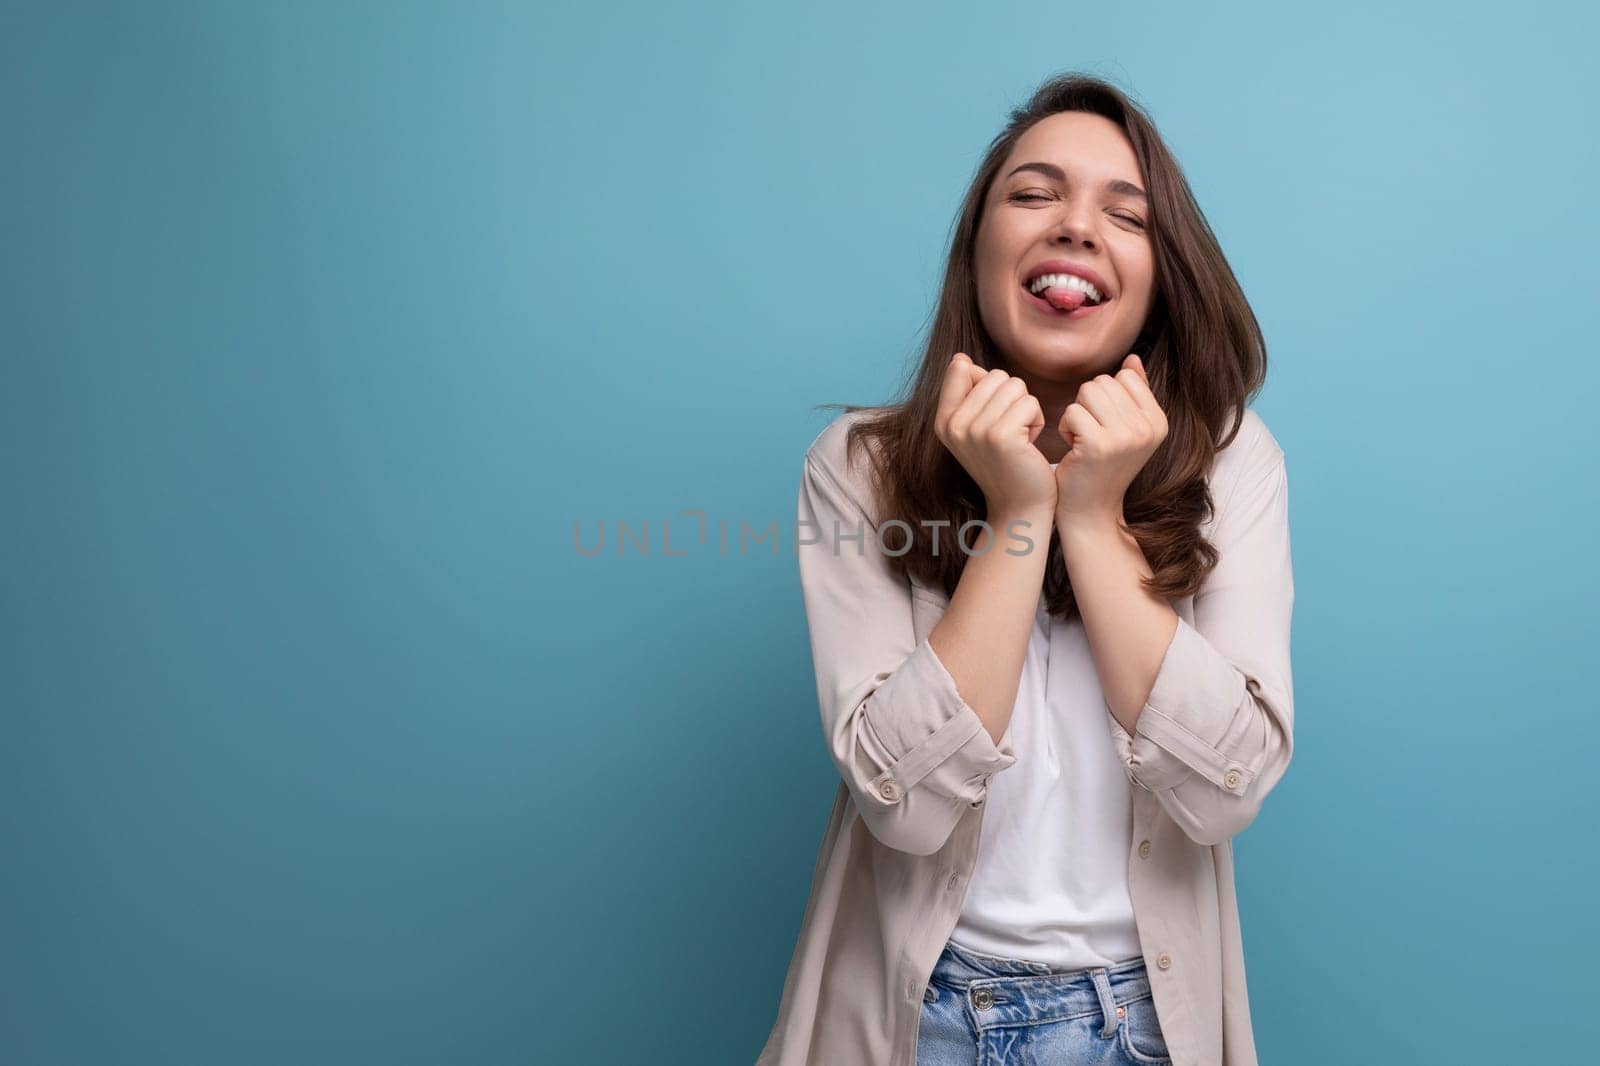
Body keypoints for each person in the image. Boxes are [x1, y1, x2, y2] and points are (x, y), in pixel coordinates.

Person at [756, 71, 1295, 1066]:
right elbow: (904, 807)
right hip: (912, 1020)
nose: (1074, 227)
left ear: (1162, 272)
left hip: (1138, 1026)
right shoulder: (858, 467)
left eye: (1123, 212)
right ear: (978, 249)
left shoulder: (1231, 458)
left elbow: (1225, 790)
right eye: (1034, 194)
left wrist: (1089, 518)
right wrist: (1016, 515)